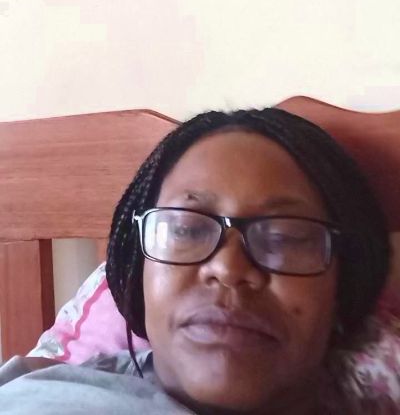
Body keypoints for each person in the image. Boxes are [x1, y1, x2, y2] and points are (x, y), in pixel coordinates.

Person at [0, 108, 394, 413]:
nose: (228, 268)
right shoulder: (44, 393)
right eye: (187, 230)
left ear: (344, 284)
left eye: (284, 238)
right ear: (138, 273)